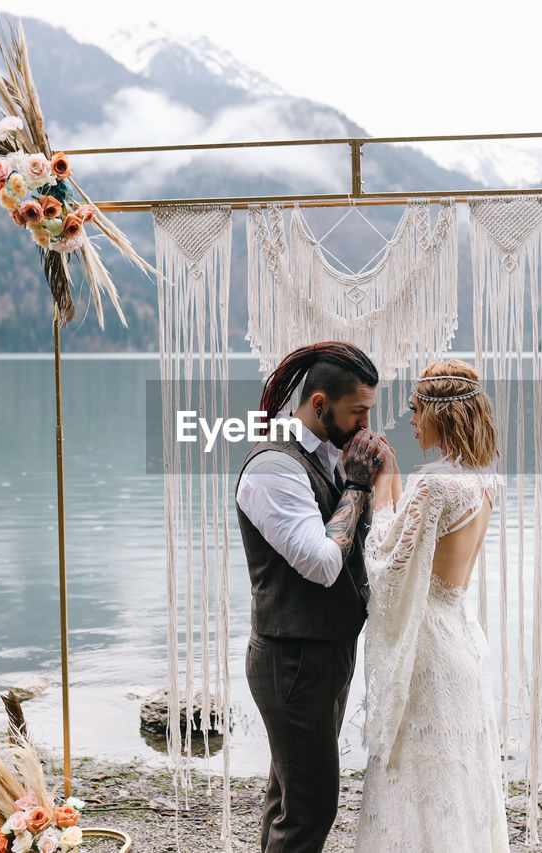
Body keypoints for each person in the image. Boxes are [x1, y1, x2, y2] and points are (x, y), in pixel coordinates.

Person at [234, 341, 390, 853]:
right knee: (311, 805)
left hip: (322, 653)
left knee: (289, 798)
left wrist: (361, 480)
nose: (367, 424)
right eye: (358, 412)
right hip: (292, 660)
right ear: (320, 405)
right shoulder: (272, 467)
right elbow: (324, 564)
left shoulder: (326, 454)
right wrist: (359, 486)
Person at [355, 359, 509, 852]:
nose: (412, 420)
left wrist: (379, 484)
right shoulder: (484, 481)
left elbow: (386, 560)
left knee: (416, 780)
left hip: (430, 653)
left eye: (417, 410)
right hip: (463, 638)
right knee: (456, 778)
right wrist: (399, 475)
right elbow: (418, 542)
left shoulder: (434, 483)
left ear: (441, 415)